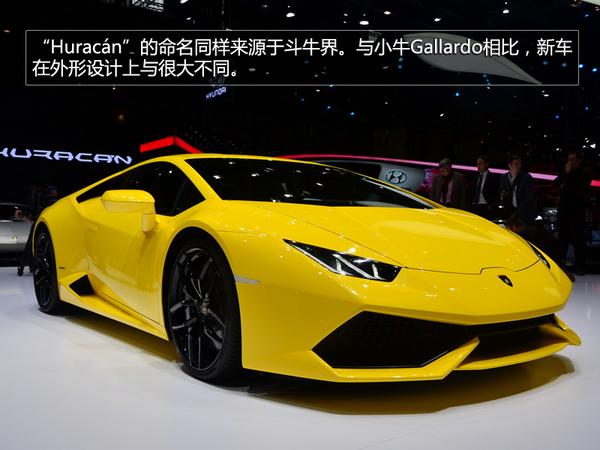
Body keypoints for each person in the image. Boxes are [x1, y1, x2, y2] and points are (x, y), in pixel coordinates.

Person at [553, 151, 590, 275]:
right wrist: (566, 173)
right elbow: (555, 184)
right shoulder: (565, 172)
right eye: (569, 159)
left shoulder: (584, 173)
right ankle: (561, 266)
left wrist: (568, 177)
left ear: (579, 161)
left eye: (573, 159)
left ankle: (580, 267)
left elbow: (580, 190)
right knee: (562, 239)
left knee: (578, 240)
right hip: (563, 210)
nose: (570, 162)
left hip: (577, 211)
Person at [506, 215, 574, 281]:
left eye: (508, 228)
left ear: (514, 226)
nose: (508, 231)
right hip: (554, 251)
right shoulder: (530, 230)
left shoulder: (525, 234)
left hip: (550, 254)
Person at [498, 154, 537, 224]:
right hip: (510, 211)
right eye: (516, 163)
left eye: (520, 163)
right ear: (509, 165)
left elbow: (528, 197)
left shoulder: (526, 177)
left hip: (524, 213)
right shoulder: (504, 177)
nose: (519, 166)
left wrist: (516, 214)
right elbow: (501, 193)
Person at [471, 155, 499, 219]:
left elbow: (495, 193)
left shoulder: (493, 177)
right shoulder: (475, 176)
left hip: (486, 206)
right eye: (477, 164)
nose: (478, 166)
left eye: (480, 164)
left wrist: (491, 206)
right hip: (475, 205)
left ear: (487, 164)